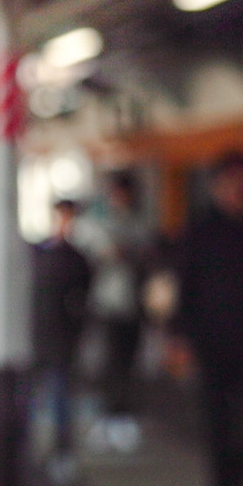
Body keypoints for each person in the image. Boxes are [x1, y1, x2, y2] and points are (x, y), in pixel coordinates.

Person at [172, 150, 243, 486]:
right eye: (230, 181)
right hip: (212, 343)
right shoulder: (199, 231)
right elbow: (184, 286)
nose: (237, 189)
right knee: (217, 423)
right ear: (216, 185)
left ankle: (237, 476)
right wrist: (179, 337)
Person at [75, 171, 154, 453]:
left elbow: (146, 255)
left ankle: (123, 418)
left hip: (132, 305)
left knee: (128, 363)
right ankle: (107, 419)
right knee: (108, 363)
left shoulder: (137, 224)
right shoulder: (97, 224)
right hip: (106, 304)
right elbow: (88, 254)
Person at [29, 199, 93, 485]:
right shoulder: (37, 253)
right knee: (37, 397)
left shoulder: (77, 259)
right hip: (39, 334)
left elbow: (85, 298)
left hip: (62, 337)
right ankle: (33, 452)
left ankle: (61, 454)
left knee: (60, 397)